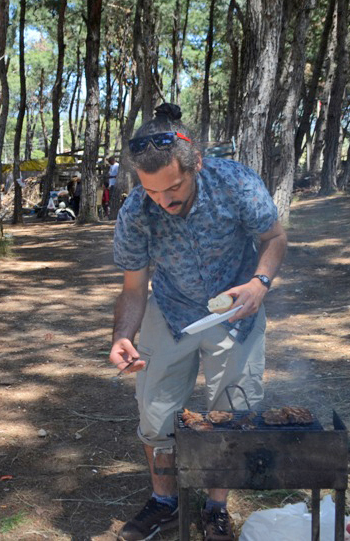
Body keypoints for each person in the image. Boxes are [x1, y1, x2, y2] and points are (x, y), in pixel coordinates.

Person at [109, 103, 287, 541]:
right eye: (152, 192)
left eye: (173, 189)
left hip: (236, 310)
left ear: (197, 165)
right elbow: (134, 289)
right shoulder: (136, 212)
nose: (163, 203)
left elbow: (273, 236)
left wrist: (260, 283)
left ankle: (215, 507)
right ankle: (165, 502)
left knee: (231, 413)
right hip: (171, 312)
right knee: (155, 415)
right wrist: (122, 337)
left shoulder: (235, 183)